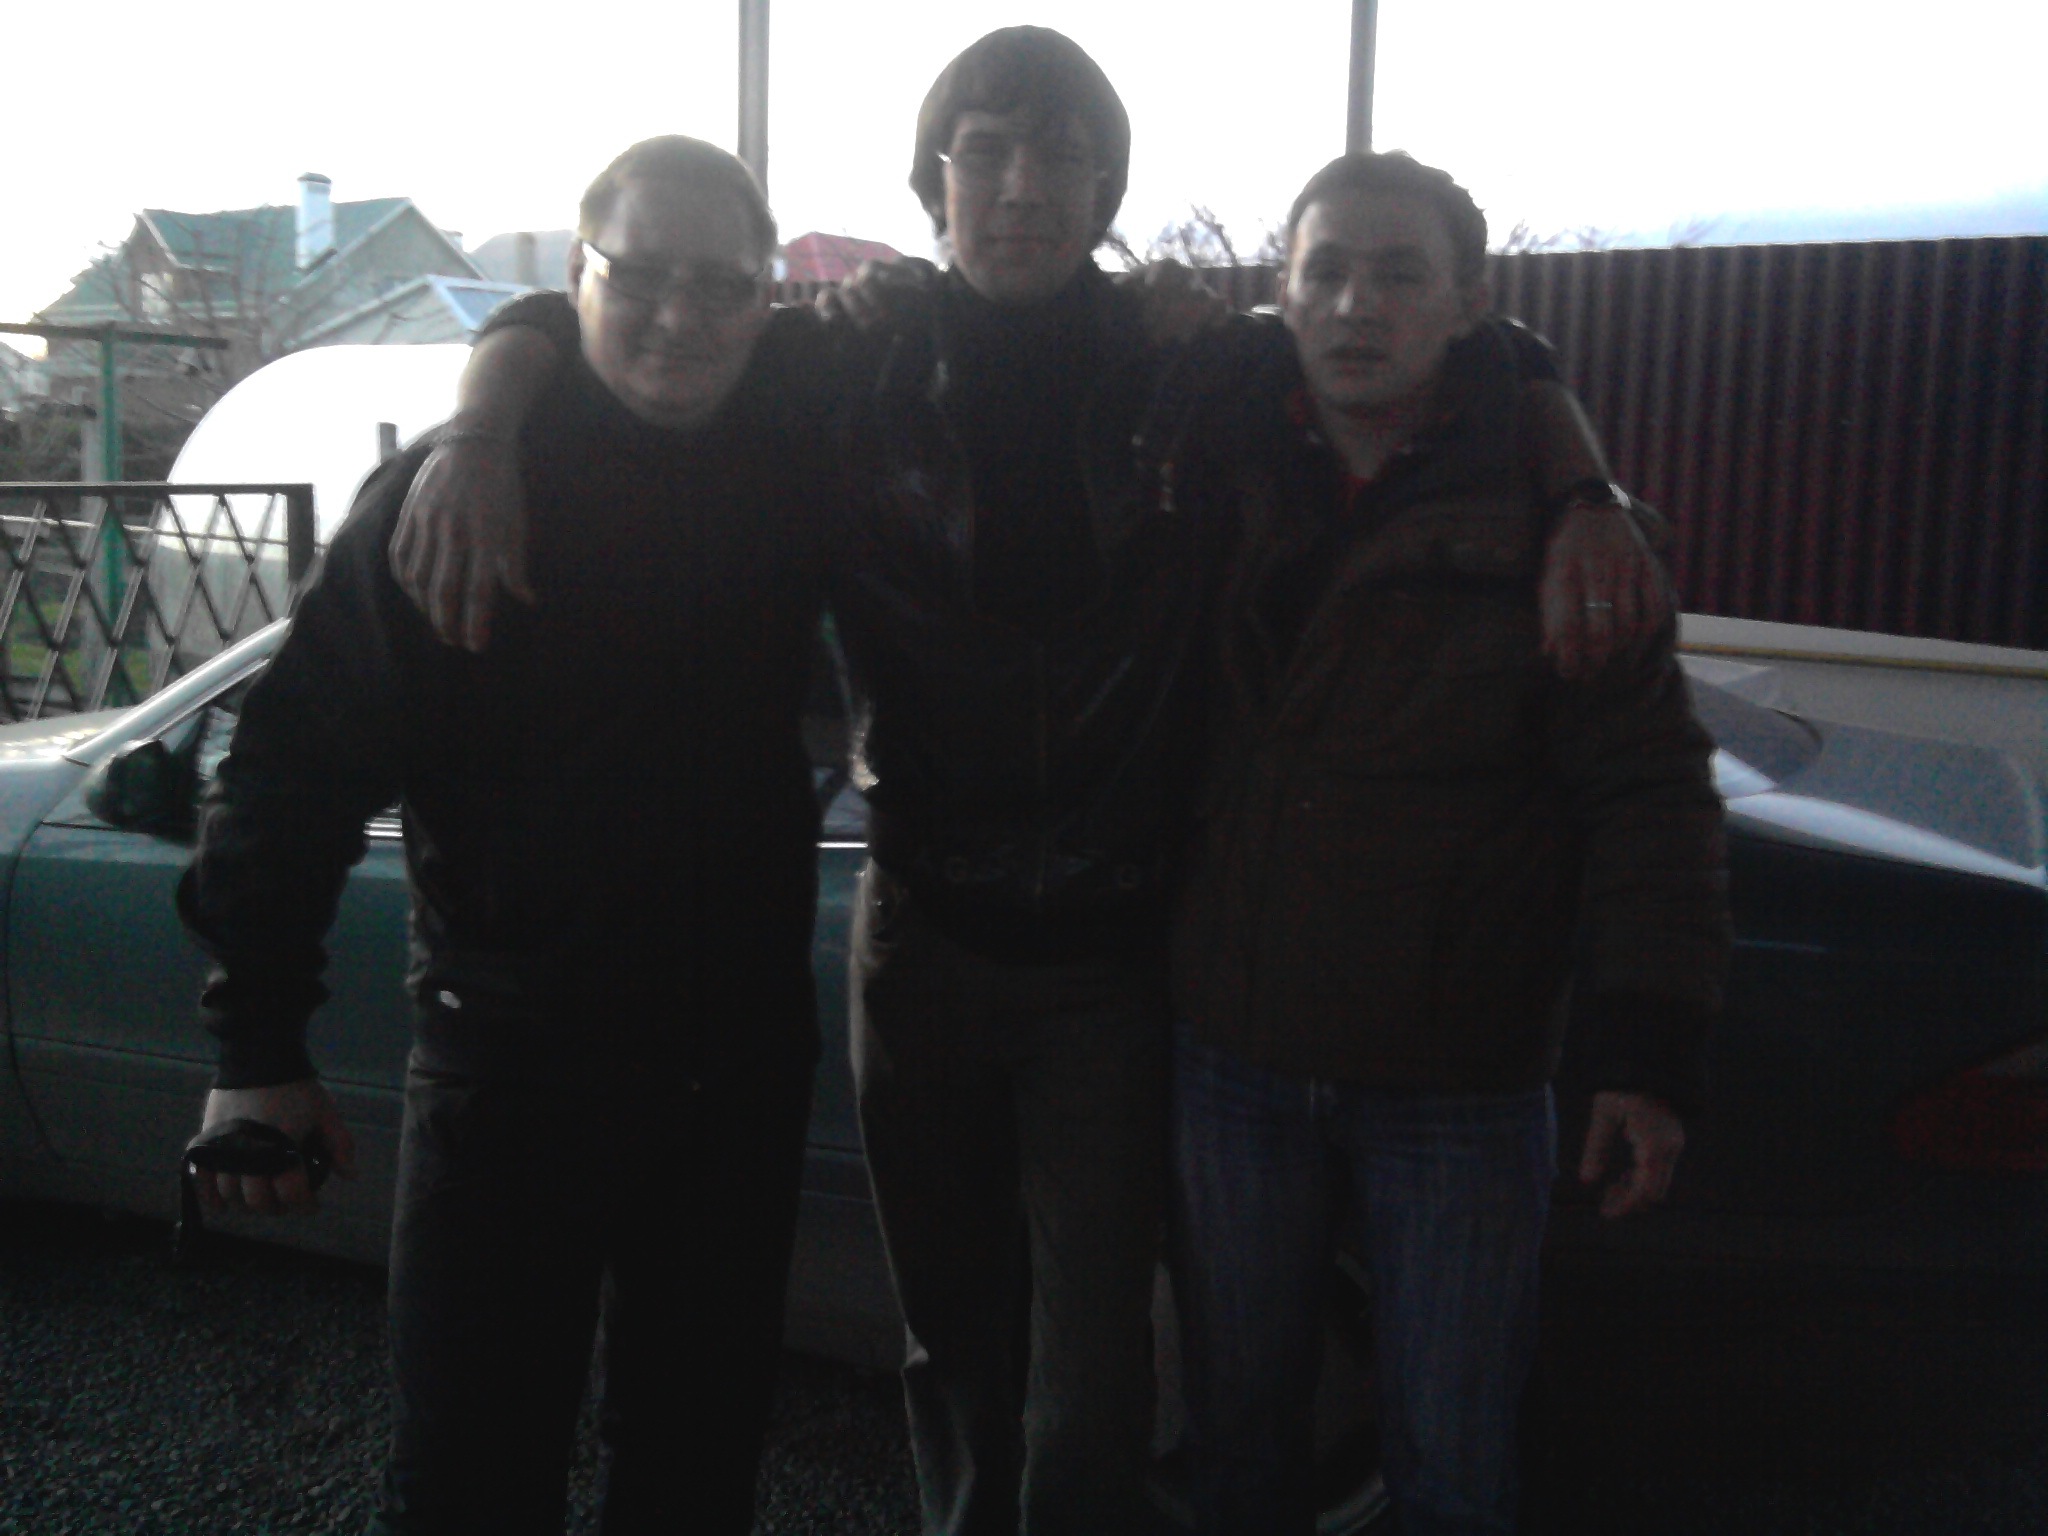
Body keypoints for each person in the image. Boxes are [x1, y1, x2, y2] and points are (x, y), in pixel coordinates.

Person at [385, 30, 1667, 1534]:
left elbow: (1484, 350)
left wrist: (1586, 488)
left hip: (1112, 960)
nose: (1020, 186)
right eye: (984, 150)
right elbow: (594, 308)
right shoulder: (841, 359)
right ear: (933, 178)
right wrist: (479, 425)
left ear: (1107, 188)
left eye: (1062, 155)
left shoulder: (1196, 363)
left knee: (1096, 1360)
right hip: (920, 937)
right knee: (950, 1337)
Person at [179, 137, 832, 1536]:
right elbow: (289, 772)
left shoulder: (792, 444)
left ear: (765, 300)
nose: (679, 317)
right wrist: (254, 1050)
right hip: (514, 1071)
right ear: (578, 277)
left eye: (720, 285)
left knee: (698, 1467)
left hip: (735, 1072)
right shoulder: (458, 497)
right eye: (637, 278)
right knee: (471, 1476)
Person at [1161, 150, 1732, 1536]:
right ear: (1283, 291)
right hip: (1236, 1064)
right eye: (1327, 272)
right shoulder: (1214, 461)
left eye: (1399, 275)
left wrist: (1647, 1050)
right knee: (1237, 1450)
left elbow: (1651, 798)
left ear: (1471, 301)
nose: (1357, 305)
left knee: (1455, 1467)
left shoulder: (1554, 527)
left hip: (1456, 1091)